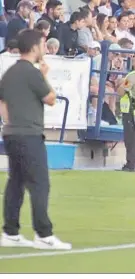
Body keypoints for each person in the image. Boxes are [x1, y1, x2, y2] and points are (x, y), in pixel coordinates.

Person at [0, 29, 71, 249]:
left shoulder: (9, 72)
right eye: (42, 44)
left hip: (11, 132)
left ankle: (10, 232)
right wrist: (44, 75)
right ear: (33, 47)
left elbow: (2, 103)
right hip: (29, 133)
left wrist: (10, 123)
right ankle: (43, 234)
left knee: (16, 182)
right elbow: (50, 98)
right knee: (40, 183)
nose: (44, 48)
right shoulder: (32, 73)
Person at [117, 51, 135, 172]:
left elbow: (122, 91)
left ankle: (130, 164)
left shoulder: (133, 75)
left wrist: (121, 85)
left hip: (131, 110)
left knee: (131, 139)